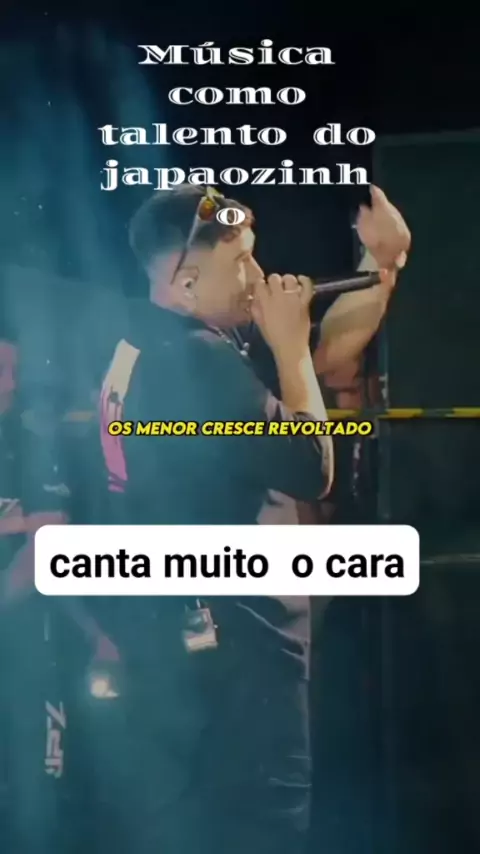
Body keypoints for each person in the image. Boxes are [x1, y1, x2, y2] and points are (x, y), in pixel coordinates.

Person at [97, 184, 410, 854]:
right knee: (260, 827)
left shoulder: (146, 345)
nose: (258, 276)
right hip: (241, 648)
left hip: (185, 640)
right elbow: (312, 464)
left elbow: (325, 361)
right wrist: (290, 346)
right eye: (241, 261)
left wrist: (380, 266)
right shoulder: (199, 358)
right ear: (186, 279)